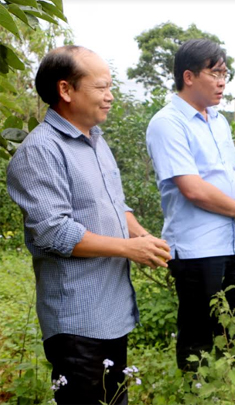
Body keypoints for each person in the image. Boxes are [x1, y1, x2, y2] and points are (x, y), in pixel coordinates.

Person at [6, 46, 171, 405]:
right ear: (66, 91)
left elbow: (114, 207)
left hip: (111, 310)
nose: (110, 96)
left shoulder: (96, 141)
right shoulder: (40, 151)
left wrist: (143, 238)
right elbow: (54, 231)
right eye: (101, 87)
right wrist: (129, 249)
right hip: (77, 319)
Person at [146, 39, 235, 372]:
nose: (222, 81)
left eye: (225, 73)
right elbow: (193, 188)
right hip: (196, 248)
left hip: (228, 243)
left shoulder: (218, 121)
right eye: (215, 73)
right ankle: (196, 392)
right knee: (199, 334)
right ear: (188, 76)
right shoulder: (167, 123)